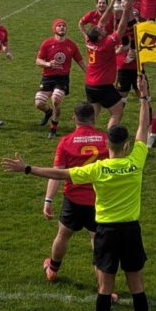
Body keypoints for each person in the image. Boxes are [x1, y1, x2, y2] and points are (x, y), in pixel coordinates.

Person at [2, 73, 156, 311]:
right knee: (137, 285)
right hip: (132, 230)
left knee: (105, 288)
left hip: (107, 231)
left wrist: (27, 169)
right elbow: (143, 129)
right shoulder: (137, 161)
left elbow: (60, 173)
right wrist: (144, 98)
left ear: (106, 146)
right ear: (127, 146)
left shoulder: (96, 170)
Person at [38, 101, 108, 284]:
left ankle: (52, 269)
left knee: (62, 235)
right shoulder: (105, 140)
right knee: (97, 242)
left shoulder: (65, 142)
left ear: (74, 118)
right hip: (98, 201)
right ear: (94, 118)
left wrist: (48, 200)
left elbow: (57, 174)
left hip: (73, 200)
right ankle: (105, 289)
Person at [84, 0, 133, 127]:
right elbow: (121, 30)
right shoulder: (106, 44)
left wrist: (111, 4)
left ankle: (86, 134)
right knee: (117, 111)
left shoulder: (89, 41)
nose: (104, 28)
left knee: (93, 114)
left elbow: (101, 22)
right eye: (101, 31)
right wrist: (126, 10)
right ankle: (110, 138)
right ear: (99, 37)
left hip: (90, 85)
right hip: (103, 86)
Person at [35, 19, 85, 137]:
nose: (62, 27)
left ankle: (53, 129)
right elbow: (37, 61)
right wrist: (48, 64)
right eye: (59, 26)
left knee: (56, 99)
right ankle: (49, 112)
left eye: (63, 26)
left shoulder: (71, 45)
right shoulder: (47, 43)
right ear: (54, 29)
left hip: (62, 79)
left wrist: (90, 75)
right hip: (47, 78)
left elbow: (81, 62)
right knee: (39, 103)